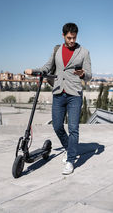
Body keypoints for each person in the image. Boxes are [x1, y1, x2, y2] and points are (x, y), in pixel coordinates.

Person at [25, 22, 92, 175]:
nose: (72, 41)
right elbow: (47, 67)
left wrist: (83, 74)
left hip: (74, 94)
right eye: (69, 38)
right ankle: (69, 147)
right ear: (63, 35)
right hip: (58, 92)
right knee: (57, 126)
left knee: (74, 128)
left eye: (74, 38)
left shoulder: (84, 52)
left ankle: (70, 160)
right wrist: (33, 71)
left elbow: (89, 75)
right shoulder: (57, 50)